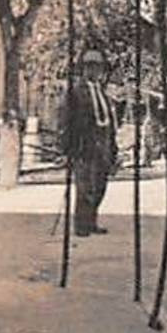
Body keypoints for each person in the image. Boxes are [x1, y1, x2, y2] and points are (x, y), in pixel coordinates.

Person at [65, 48, 119, 237]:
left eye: (97, 67)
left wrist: (113, 147)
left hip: (103, 143)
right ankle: (81, 225)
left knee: (100, 185)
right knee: (85, 187)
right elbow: (68, 121)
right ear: (84, 68)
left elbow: (109, 122)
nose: (94, 71)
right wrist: (69, 149)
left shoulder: (103, 92)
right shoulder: (76, 92)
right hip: (85, 145)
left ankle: (92, 221)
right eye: (90, 66)